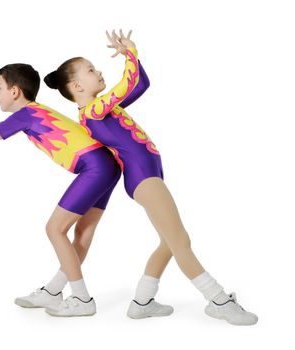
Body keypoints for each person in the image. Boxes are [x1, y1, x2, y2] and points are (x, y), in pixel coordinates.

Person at [44, 30, 258, 325]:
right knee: (181, 240)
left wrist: (134, 58)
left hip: (150, 175)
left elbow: (140, 83)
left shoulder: (103, 108)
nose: (99, 71)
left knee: (170, 242)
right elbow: (127, 82)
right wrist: (131, 52)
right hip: (143, 178)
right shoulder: (93, 110)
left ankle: (142, 301)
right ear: (77, 85)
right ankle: (218, 300)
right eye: (92, 70)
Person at [0, 62, 121, 317]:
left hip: (95, 167)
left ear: (15, 92)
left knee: (55, 229)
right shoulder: (30, 113)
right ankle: (53, 291)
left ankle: (82, 299)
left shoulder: (25, 115)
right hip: (106, 165)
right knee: (83, 231)